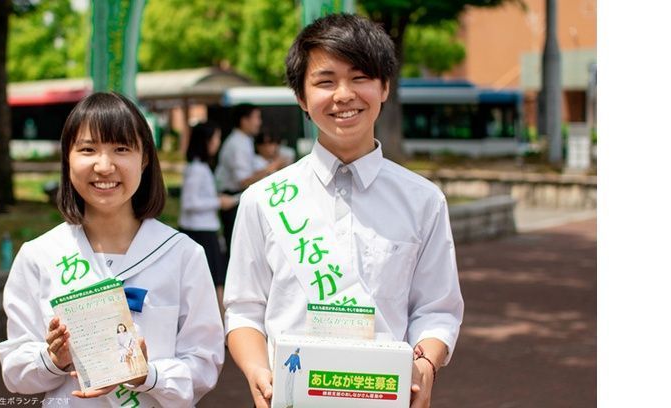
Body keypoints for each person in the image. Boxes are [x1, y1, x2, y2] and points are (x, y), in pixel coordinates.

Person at [223, 14, 464, 408]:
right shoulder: (263, 200)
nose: (344, 95)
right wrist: (256, 372)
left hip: (384, 397)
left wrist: (424, 367)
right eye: (325, 81)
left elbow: (437, 309)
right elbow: (244, 311)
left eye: (360, 77)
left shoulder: (424, 201)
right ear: (301, 97)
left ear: (384, 87)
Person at [0, 92, 224, 407]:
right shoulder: (40, 256)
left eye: (121, 149)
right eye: (88, 149)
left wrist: (148, 376)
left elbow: (205, 363)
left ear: (145, 158)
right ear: (67, 158)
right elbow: (15, 372)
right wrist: (53, 358)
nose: (104, 166)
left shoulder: (182, 255)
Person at [178, 122, 237, 314]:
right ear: (206, 141)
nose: (218, 142)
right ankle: (221, 323)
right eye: (215, 138)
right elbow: (190, 202)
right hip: (200, 231)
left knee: (216, 279)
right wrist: (218, 202)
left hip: (205, 229)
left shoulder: (201, 167)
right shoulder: (197, 169)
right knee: (215, 280)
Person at [214, 104, 285, 250]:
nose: (259, 122)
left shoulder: (243, 140)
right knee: (240, 247)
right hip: (232, 200)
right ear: (244, 120)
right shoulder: (238, 144)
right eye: (256, 118)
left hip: (236, 198)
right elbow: (244, 181)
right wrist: (272, 167)